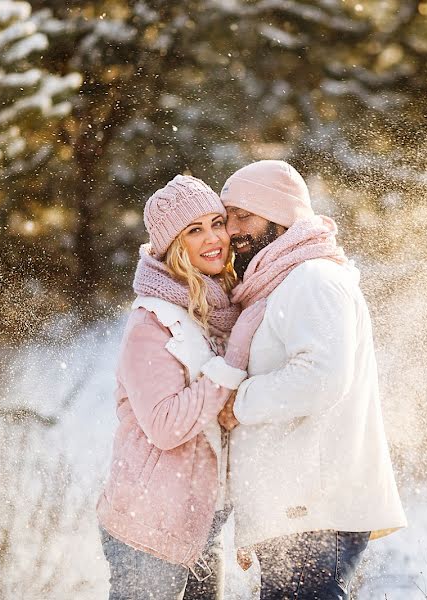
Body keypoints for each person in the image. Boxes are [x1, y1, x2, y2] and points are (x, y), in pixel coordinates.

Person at [217, 160, 407, 599]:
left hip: (314, 507)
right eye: (228, 217)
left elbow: (322, 377)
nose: (232, 230)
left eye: (244, 215)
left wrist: (237, 403)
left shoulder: (313, 278)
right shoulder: (279, 284)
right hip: (294, 506)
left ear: (281, 218)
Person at [96, 174, 265, 600]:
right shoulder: (151, 322)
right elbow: (165, 425)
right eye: (194, 230)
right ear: (173, 246)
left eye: (216, 223)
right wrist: (232, 363)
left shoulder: (219, 309)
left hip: (206, 516)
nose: (214, 238)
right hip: (150, 523)